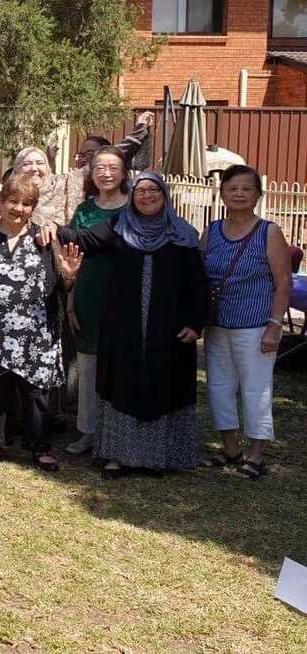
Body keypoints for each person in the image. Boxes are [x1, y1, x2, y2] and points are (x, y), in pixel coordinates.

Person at [58, 173, 206, 477]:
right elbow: (81, 238)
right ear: (132, 196)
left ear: (164, 195)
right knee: (121, 385)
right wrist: (48, 230)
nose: (147, 196)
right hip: (123, 326)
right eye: (141, 191)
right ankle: (117, 455)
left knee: (163, 384)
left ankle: (159, 457)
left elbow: (197, 283)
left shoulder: (184, 234)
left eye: (154, 190)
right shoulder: (118, 226)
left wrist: (195, 323)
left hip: (169, 328)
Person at [0, 174, 82, 472]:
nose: (19, 208)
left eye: (27, 204)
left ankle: (40, 447)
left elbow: (61, 285)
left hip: (36, 331)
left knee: (35, 392)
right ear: (0, 203)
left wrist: (68, 275)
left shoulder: (45, 239)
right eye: (13, 201)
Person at [200, 165, 293, 480]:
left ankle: (255, 455)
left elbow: (283, 283)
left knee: (255, 390)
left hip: (255, 327)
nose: (239, 194)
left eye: (246, 189)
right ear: (222, 192)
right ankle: (230, 448)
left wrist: (275, 325)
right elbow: (199, 276)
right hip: (217, 325)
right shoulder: (211, 231)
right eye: (232, 188)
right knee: (219, 388)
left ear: (257, 194)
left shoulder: (269, 232)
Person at [65, 147, 129, 456]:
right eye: (100, 167)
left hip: (122, 296)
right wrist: (70, 302)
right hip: (88, 291)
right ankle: (87, 432)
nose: (106, 173)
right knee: (88, 367)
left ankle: (115, 432)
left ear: (124, 173)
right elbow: (72, 259)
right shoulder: (84, 211)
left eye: (113, 167)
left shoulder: (134, 209)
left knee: (118, 366)